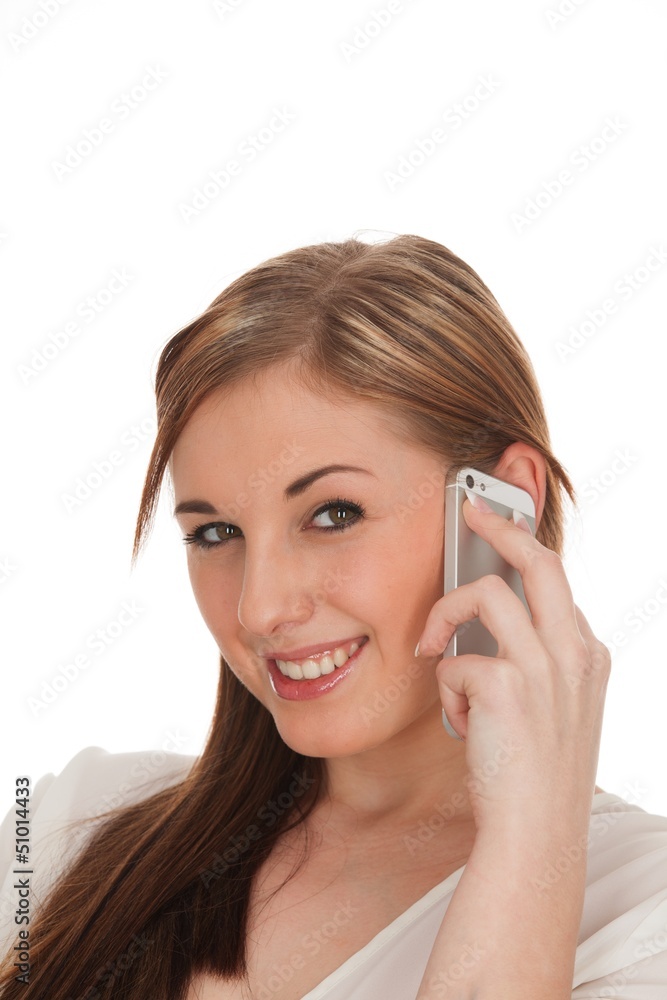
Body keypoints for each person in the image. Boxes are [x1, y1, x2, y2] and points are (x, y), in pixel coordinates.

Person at [1, 234, 666, 999]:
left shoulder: (640, 912)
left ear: (499, 504)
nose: (259, 608)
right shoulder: (65, 827)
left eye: (333, 514)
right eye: (215, 533)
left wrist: (532, 838)